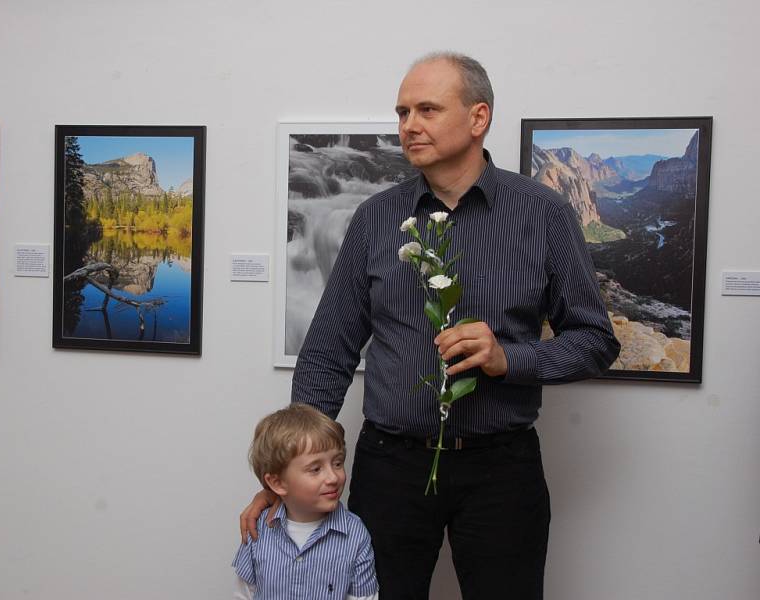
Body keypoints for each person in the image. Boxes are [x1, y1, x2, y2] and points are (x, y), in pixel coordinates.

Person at [241, 51, 620, 599]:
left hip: (502, 469)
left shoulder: (544, 213)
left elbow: (595, 340)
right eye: (402, 112)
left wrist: (510, 358)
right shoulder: (374, 219)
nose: (408, 126)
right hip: (390, 467)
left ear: (478, 117)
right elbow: (328, 351)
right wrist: (288, 470)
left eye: (426, 109)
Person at [232, 403, 378, 600]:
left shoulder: (356, 535)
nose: (333, 477)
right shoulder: (257, 533)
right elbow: (244, 595)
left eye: (337, 463)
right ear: (277, 483)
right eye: (315, 469)